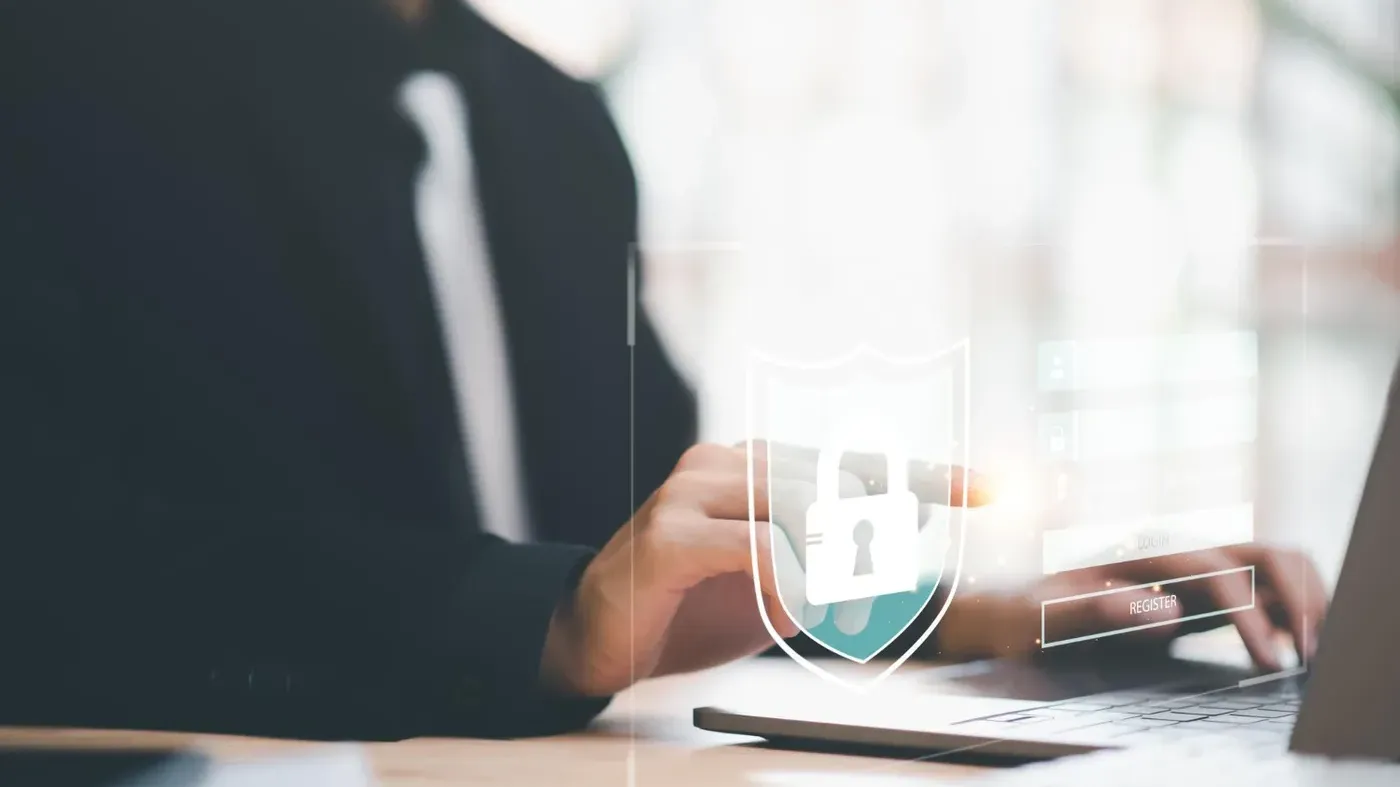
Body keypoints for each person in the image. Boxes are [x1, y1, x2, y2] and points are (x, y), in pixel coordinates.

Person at [0, 0, 1327, 741]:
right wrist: (541, 620)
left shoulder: (553, 127)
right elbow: (63, 569)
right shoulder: (55, 79)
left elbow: (655, 556)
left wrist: (978, 614)